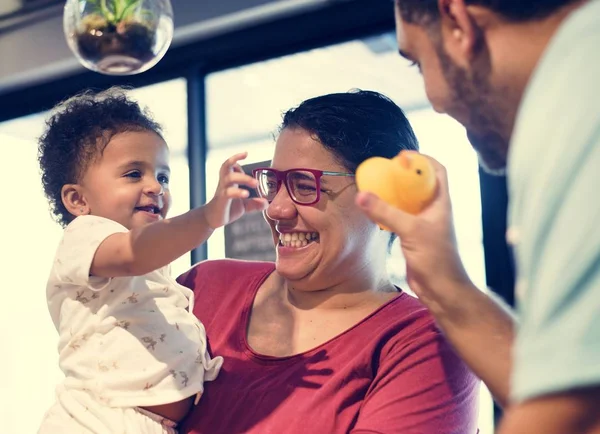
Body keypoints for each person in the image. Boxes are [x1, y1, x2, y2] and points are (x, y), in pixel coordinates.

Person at [356, 0, 600, 432]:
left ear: (457, 22)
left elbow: (573, 418)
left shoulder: (579, 92)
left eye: (417, 63)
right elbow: (573, 387)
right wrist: (445, 284)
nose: (433, 100)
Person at [177, 90, 480, 434]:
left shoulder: (425, 345)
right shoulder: (204, 287)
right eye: (273, 184)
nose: (276, 209)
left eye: (304, 186)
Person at [37, 88, 267, 433]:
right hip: (96, 420)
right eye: (134, 174)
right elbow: (135, 253)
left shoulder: (154, 266)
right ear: (77, 200)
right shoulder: (84, 237)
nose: (156, 187)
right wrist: (207, 216)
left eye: (162, 176)